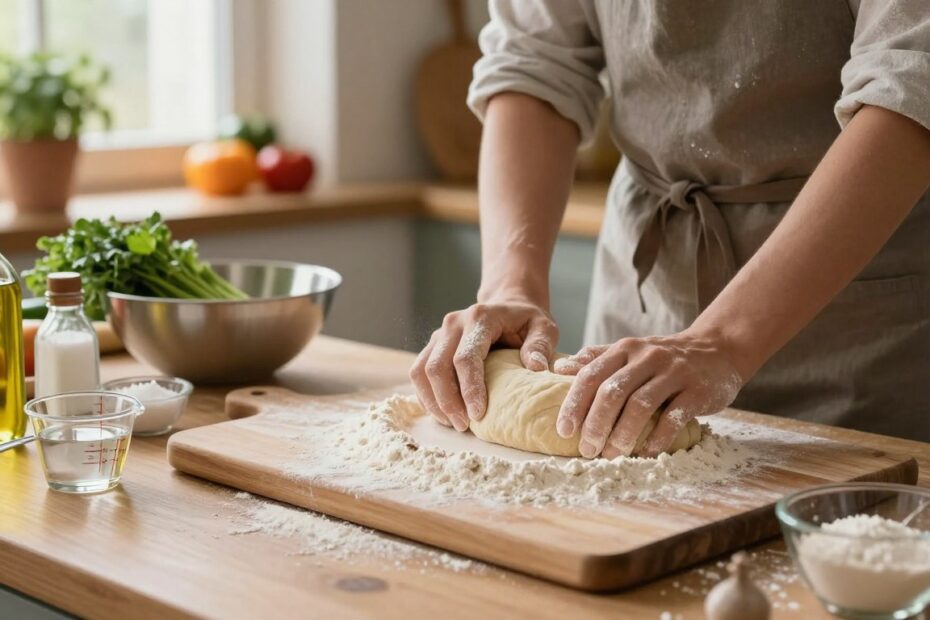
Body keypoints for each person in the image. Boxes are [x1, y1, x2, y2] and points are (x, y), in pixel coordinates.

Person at [410, 1, 930, 457]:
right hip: (646, 289)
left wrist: (723, 340)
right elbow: (534, 62)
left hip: (858, 319)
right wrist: (511, 284)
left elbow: (910, 83)